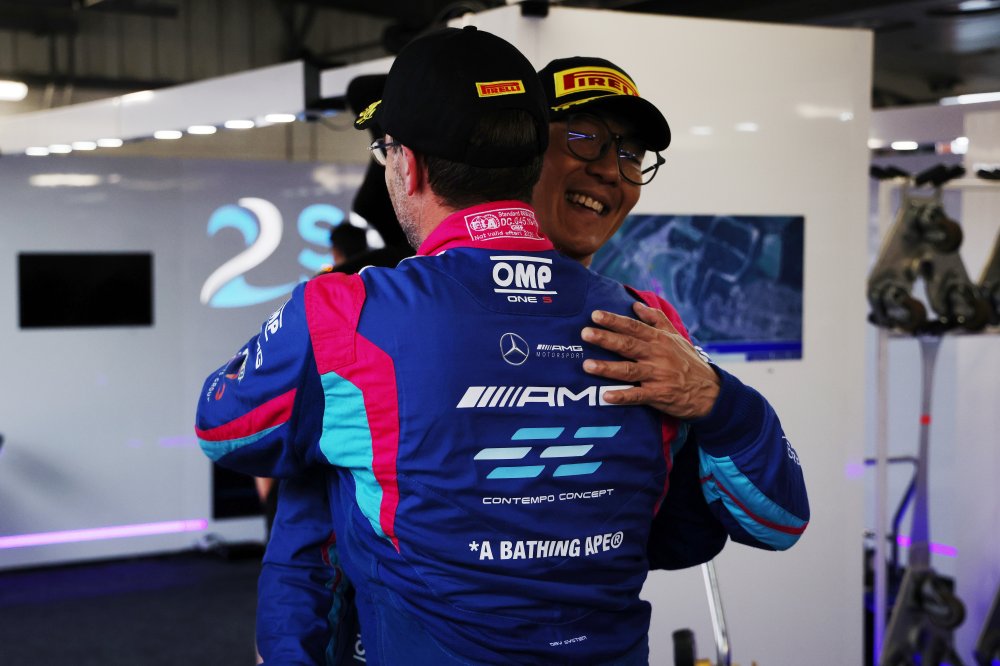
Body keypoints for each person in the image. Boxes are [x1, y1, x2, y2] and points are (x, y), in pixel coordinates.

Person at [201, 40, 808, 664]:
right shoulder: (375, 308)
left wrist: (719, 399)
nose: (610, 169)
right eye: (583, 139)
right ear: (523, 151)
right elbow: (305, 543)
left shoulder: (648, 327)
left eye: (631, 154)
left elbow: (727, 527)